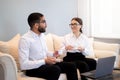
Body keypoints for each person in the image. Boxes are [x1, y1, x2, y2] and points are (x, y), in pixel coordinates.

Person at [18, 12, 78, 80]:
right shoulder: (25, 39)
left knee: (71, 66)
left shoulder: (42, 36)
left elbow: (46, 52)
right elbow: (23, 65)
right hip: (33, 69)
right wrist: (44, 61)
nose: (46, 25)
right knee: (55, 69)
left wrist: (57, 53)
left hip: (45, 65)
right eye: (44, 22)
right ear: (36, 25)